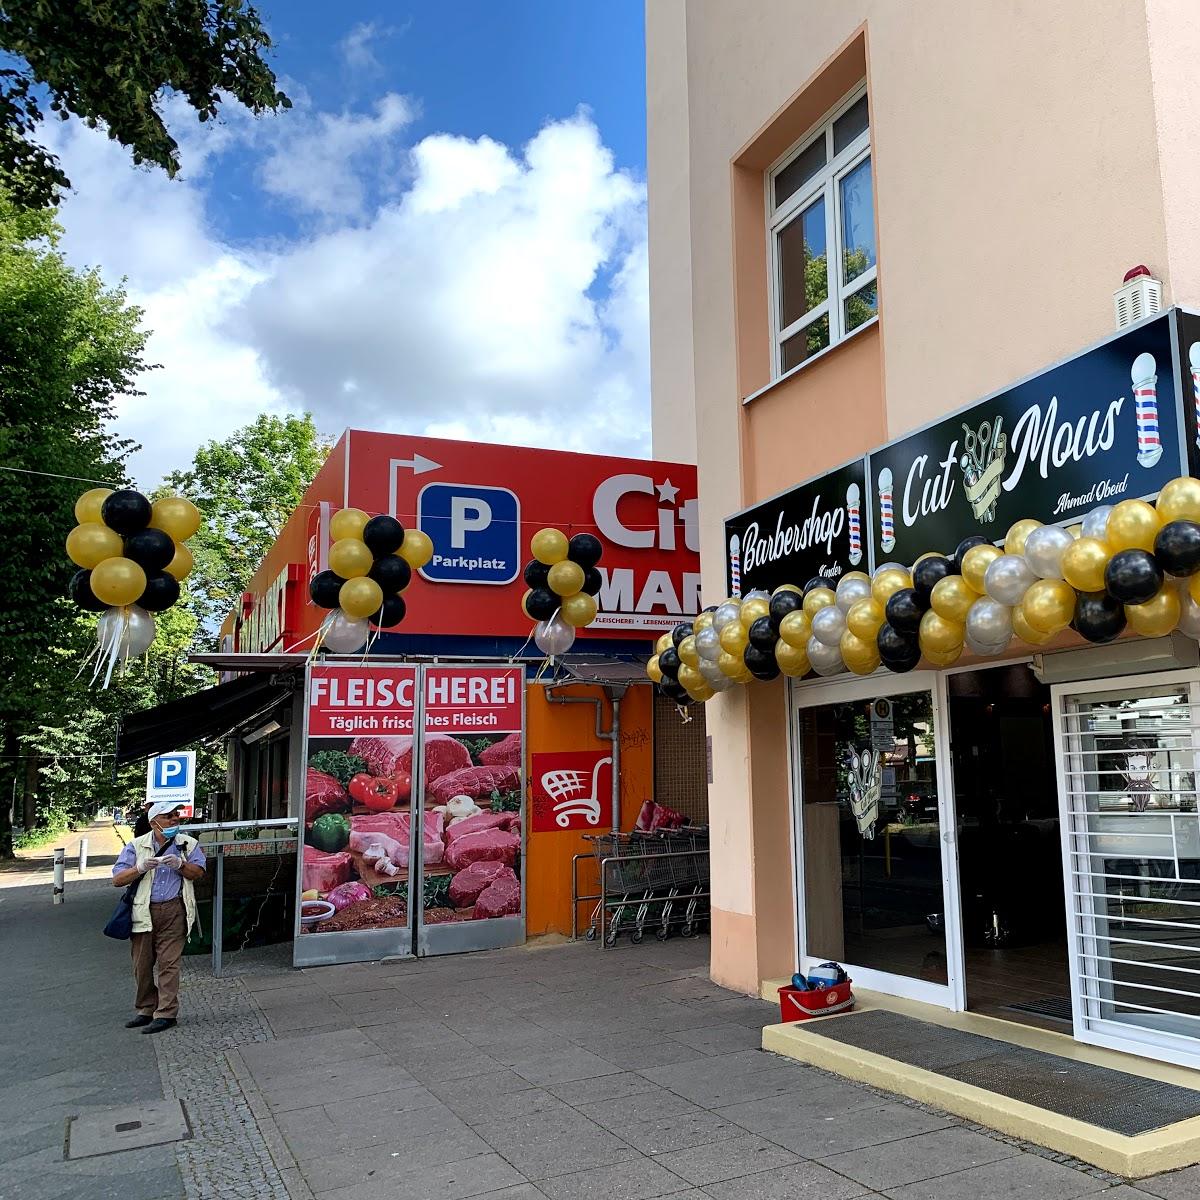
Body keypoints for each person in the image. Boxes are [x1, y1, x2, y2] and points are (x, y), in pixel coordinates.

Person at [111, 801, 206, 1034]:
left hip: (174, 909)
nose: (175, 819)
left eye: (176, 815)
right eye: (168, 816)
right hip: (143, 911)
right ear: (154, 822)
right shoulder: (136, 846)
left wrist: (181, 865)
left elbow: (199, 873)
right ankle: (145, 1008)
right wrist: (140, 868)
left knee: (169, 964)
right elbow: (117, 879)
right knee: (141, 965)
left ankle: (166, 1013)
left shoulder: (188, 844)